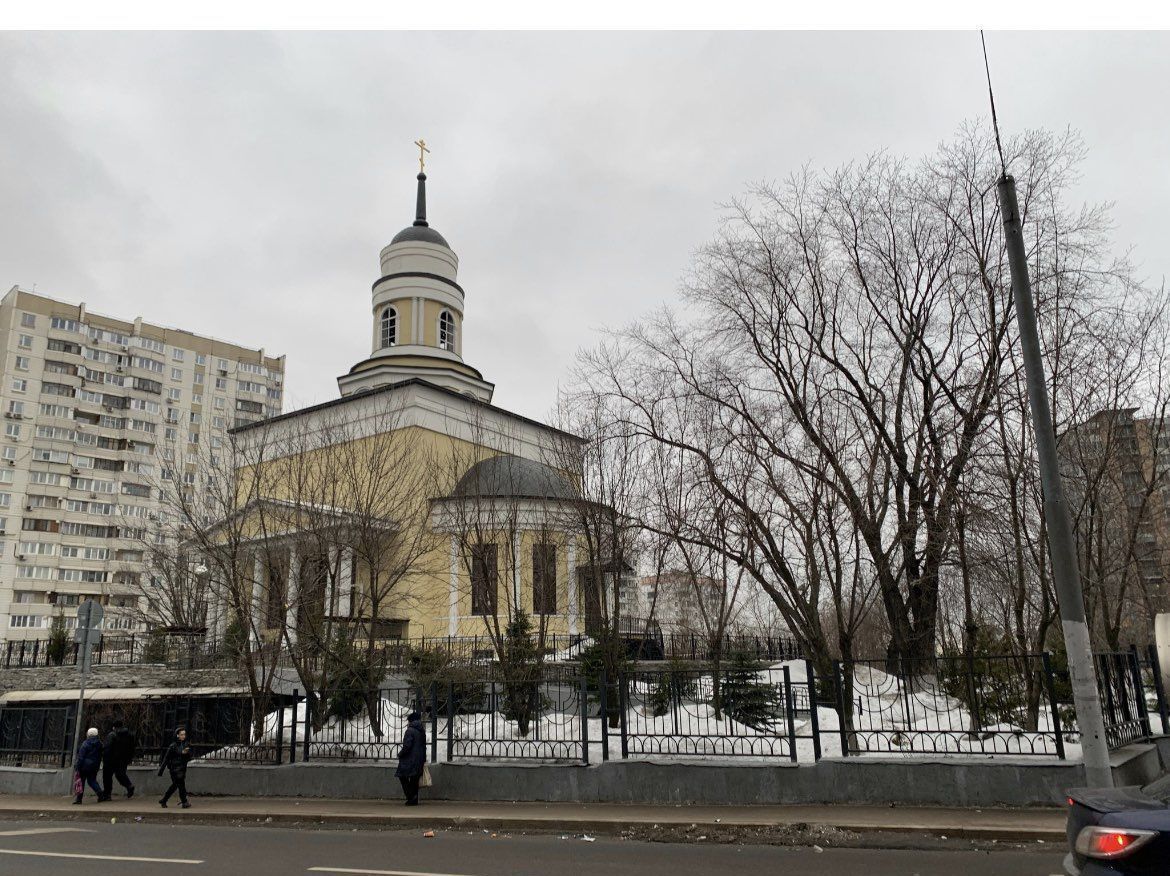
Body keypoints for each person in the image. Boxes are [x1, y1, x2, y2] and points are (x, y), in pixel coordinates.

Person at [395, 710, 426, 806]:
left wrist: (400, 754)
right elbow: (423, 746)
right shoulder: (421, 730)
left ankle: (411, 797)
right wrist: (423, 758)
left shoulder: (410, 731)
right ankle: (414, 799)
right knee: (414, 779)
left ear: (411, 721)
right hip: (419, 759)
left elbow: (407, 746)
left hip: (409, 759)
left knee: (402, 777)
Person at [100, 720, 136, 801]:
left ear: (114, 727)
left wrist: (104, 758)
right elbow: (132, 748)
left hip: (111, 760)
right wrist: (129, 758)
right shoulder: (129, 735)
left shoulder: (112, 735)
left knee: (107, 777)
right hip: (123, 759)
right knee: (120, 774)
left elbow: (107, 748)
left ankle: (107, 794)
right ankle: (129, 786)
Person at [157, 727, 192, 809]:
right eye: (181, 734)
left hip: (182, 768)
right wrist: (161, 770)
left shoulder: (185, 744)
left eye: (184, 734)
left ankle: (164, 800)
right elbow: (166, 758)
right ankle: (184, 802)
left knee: (175, 786)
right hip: (174, 769)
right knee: (180, 785)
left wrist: (187, 753)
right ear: (177, 735)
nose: (183, 736)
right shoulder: (173, 746)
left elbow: (189, 757)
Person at [73, 728, 104, 805]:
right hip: (95, 765)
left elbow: (81, 757)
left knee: (81, 781)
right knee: (92, 781)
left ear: (89, 734)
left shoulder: (86, 743)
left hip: (84, 766)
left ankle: (79, 799)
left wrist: (77, 766)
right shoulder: (99, 744)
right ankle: (100, 794)